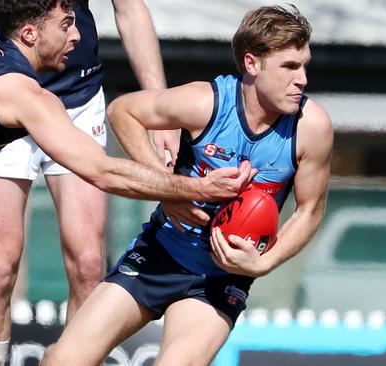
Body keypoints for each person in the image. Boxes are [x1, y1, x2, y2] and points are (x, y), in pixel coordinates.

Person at [0, 0, 254, 364]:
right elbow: (102, 171)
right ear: (32, 33)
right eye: (66, 25)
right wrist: (197, 189)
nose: (78, 36)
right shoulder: (23, 94)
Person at [40, 5, 333, 366]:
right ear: (252, 64)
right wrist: (167, 187)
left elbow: (310, 211)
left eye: (304, 65)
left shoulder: (312, 127)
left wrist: (264, 263)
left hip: (220, 279)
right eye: (290, 67)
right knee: (62, 361)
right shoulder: (206, 102)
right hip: (160, 254)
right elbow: (122, 112)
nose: (302, 79)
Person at [0, 0, 179, 364]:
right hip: (1, 93)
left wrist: (159, 109)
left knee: (87, 263)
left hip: (77, 99)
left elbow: (130, 10)